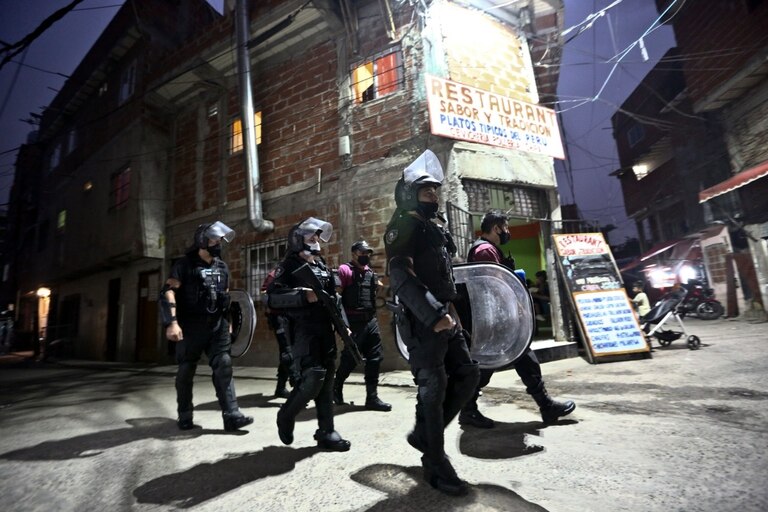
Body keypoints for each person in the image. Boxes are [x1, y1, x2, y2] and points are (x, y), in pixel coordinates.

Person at [384, 149, 480, 496]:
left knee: (468, 374)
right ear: (410, 194)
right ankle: (435, 463)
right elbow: (400, 275)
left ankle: (425, 433)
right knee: (433, 387)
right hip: (423, 321)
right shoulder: (402, 226)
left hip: (445, 315)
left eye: (435, 191)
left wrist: (451, 310)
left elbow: (443, 276)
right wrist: (434, 314)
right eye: (427, 191)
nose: (434, 196)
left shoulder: (432, 228)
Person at [459, 211, 575, 428]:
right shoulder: (485, 251)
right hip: (495, 319)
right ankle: (468, 410)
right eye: (505, 227)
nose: (507, 232)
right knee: (491, 364)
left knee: (511, 360)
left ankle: (545, 406)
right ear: (496, 228)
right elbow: (495, 288)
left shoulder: (488, 249)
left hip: (495, 319)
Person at [160, 221, 254, 431]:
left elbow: (226, 295)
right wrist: (172, 323)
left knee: (224, 365)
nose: (218, 243)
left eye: (220, 239)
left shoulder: (222, 266)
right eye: (214, 238)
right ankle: (185, 415)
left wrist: (229, 323)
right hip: (190, 325)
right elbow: (168, 292)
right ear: (202, 240)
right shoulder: (184, 265)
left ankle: (232, 415)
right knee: (186, 370)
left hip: (217, 325)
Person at [266, 217, 351, 452]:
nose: (316, 239)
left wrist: (343, 325)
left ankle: (327, 431)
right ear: (297, 239)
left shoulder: (321, 266)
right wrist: (303, 296)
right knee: (313, 377)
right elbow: (272, 298)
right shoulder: (289, 266)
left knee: (328, 379)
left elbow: (335, 298)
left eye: (317, 236)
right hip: (302, 329)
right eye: (310, 235)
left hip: (325, 328)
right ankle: (287, 413)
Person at [333, 240, 392, 411]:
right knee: (350, 359)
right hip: (354, 322)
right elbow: (336, 300)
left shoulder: (370, 273)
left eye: (367, 253)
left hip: (370, 321)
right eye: (362, 252)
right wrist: (343, 326)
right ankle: (336, 387)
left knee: (375, 358)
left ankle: (372, 398)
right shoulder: (345, 270)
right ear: (354, 253)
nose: (365, 255)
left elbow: (380, 290)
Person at [261, 268, 292, 398]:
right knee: (287, 352)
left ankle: (280, 387)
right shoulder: (275, 274)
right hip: (279, 317)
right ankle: (298, 387)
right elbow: (264, 294)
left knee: (288, 353)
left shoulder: (297, 273)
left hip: (294, 317)